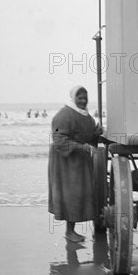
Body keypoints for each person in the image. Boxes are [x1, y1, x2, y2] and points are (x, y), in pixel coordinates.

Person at [48, 85, 103, 243]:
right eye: (80, 98)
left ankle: (75, 230)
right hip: (65, 163)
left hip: (79, 160)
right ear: (73, 98)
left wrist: (96, 135)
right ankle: (69, 232)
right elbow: (58, 140)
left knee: (81, 193)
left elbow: (89, 140)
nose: (83, 101)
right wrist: (81, 147)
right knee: (70, 194)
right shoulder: (64, 115)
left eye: (85, 98)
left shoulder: (86, 116)